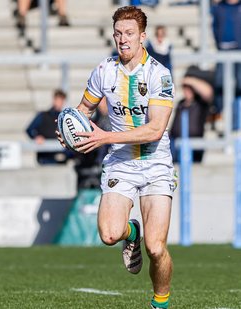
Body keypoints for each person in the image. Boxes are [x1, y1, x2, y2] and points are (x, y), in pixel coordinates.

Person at [57, 6, 176, 308]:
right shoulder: (104, 70)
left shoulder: (160, 75)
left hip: (155, 163)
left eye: (129, 33)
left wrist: (105, 136)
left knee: (156, 247)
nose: (122, 39)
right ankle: (130, 230)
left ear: (143, 36)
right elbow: (83, 110)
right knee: (109, 235)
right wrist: (69, 129)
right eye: (118, 33)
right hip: (121, 163)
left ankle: (160, 302)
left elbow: (154, 129)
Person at [210, 0, 241, 127]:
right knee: (219, 82)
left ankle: (237, 118)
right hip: (223, 51)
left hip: (240, 51)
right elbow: (215, 26)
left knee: (240, 83)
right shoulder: (219, 7)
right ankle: (218, 111)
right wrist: (219, 42)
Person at [169, 76, 213, 163]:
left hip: (194, 145)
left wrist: (190, 80)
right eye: (185, 87)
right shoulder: (181, 103)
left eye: (189, 88)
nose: (186, 90)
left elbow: (208, 92)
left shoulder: (200, 103)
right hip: (176, 143)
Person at [26, 89, 69, 165]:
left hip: (60, 157)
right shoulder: (43, 115)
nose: (60, 103)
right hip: (45, 158)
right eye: (59, 100)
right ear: (54, 100)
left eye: (62, 100)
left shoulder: (65, 118)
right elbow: (29, 130)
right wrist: (36, 137)